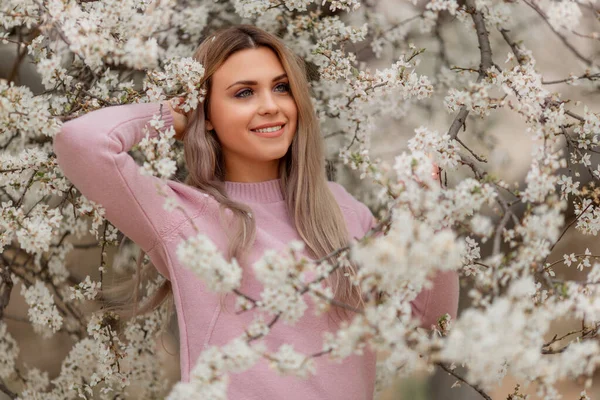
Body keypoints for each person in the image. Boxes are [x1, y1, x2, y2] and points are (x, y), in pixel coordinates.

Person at [53, 24, 458, 400]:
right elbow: (82, 142)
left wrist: (428, 215)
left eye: (281, 88)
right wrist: (177, 114)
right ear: (207, 113)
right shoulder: (185, 216)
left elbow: (429, 323)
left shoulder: (342, 210)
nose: (270, 106)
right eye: (244, 93)